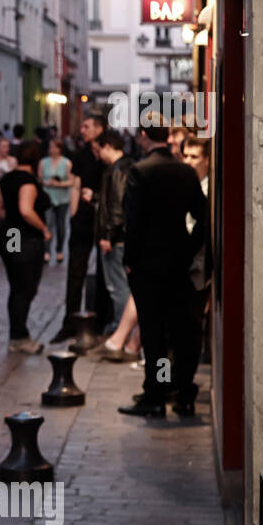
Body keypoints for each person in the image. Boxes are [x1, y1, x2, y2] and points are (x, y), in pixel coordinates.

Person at [118, 120, 208, 418]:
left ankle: (155, 394)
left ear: (144, 137)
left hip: (147, 264)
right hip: (178, 264)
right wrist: (187, 249)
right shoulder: (185, 171)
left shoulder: (140, 171)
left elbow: (133, 224)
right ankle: (181, 390)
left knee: (154, 333)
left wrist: (130, 260)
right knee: (181, 330)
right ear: (168, 137)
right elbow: (203, 218)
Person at [53, 111, 110, 342]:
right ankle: (71, 322)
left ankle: (99, 323)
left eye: (86, 126)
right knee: (75, 273)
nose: (82, 130)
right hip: (83, 220)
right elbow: (75, 185)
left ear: (99, 129)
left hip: (103, 220)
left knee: (104, 274)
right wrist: (74, 214)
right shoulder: (81, 154)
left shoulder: (109, 153)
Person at [0, 140, 51, 354]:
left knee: (17, 285)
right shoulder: (28, 181)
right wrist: (43, 227)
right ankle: (19, 336)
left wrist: (10, 221)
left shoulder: (6, 178)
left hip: (10, 234)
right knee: (24, 287)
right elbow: (26, 210)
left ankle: (18, 335)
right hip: (24, 237)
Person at [93, 130, 136, 345]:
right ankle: (123, 331)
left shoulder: (119, 170)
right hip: (118, 237)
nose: (98, 154)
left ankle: (123, 333)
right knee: (120, 286)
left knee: (118, 287)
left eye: (99, 149)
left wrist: (107, 235)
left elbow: (118, 207)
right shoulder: (122, 167)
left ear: (108, 147)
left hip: (116, 239)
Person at [181, 135, 213, 364]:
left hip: (198, 263)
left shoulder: (209, 187)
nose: (188, 161)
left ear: (207, 160)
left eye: (194, 156)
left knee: (190, 324)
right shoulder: (185, 182)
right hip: (184, 262)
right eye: (185, 156)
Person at [39, 137, 74, 263]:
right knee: (47, 224)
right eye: (50, 147)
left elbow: (71, 181)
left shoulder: (67, 163)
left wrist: (59, 184)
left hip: (62, 198)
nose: (51, 149)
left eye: (54, 147)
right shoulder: (43, 162)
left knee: (61, 225)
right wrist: (46, 182)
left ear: (60, 149)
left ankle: (59, 250)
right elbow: (39, 179)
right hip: (48, 197)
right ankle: (46, 251)